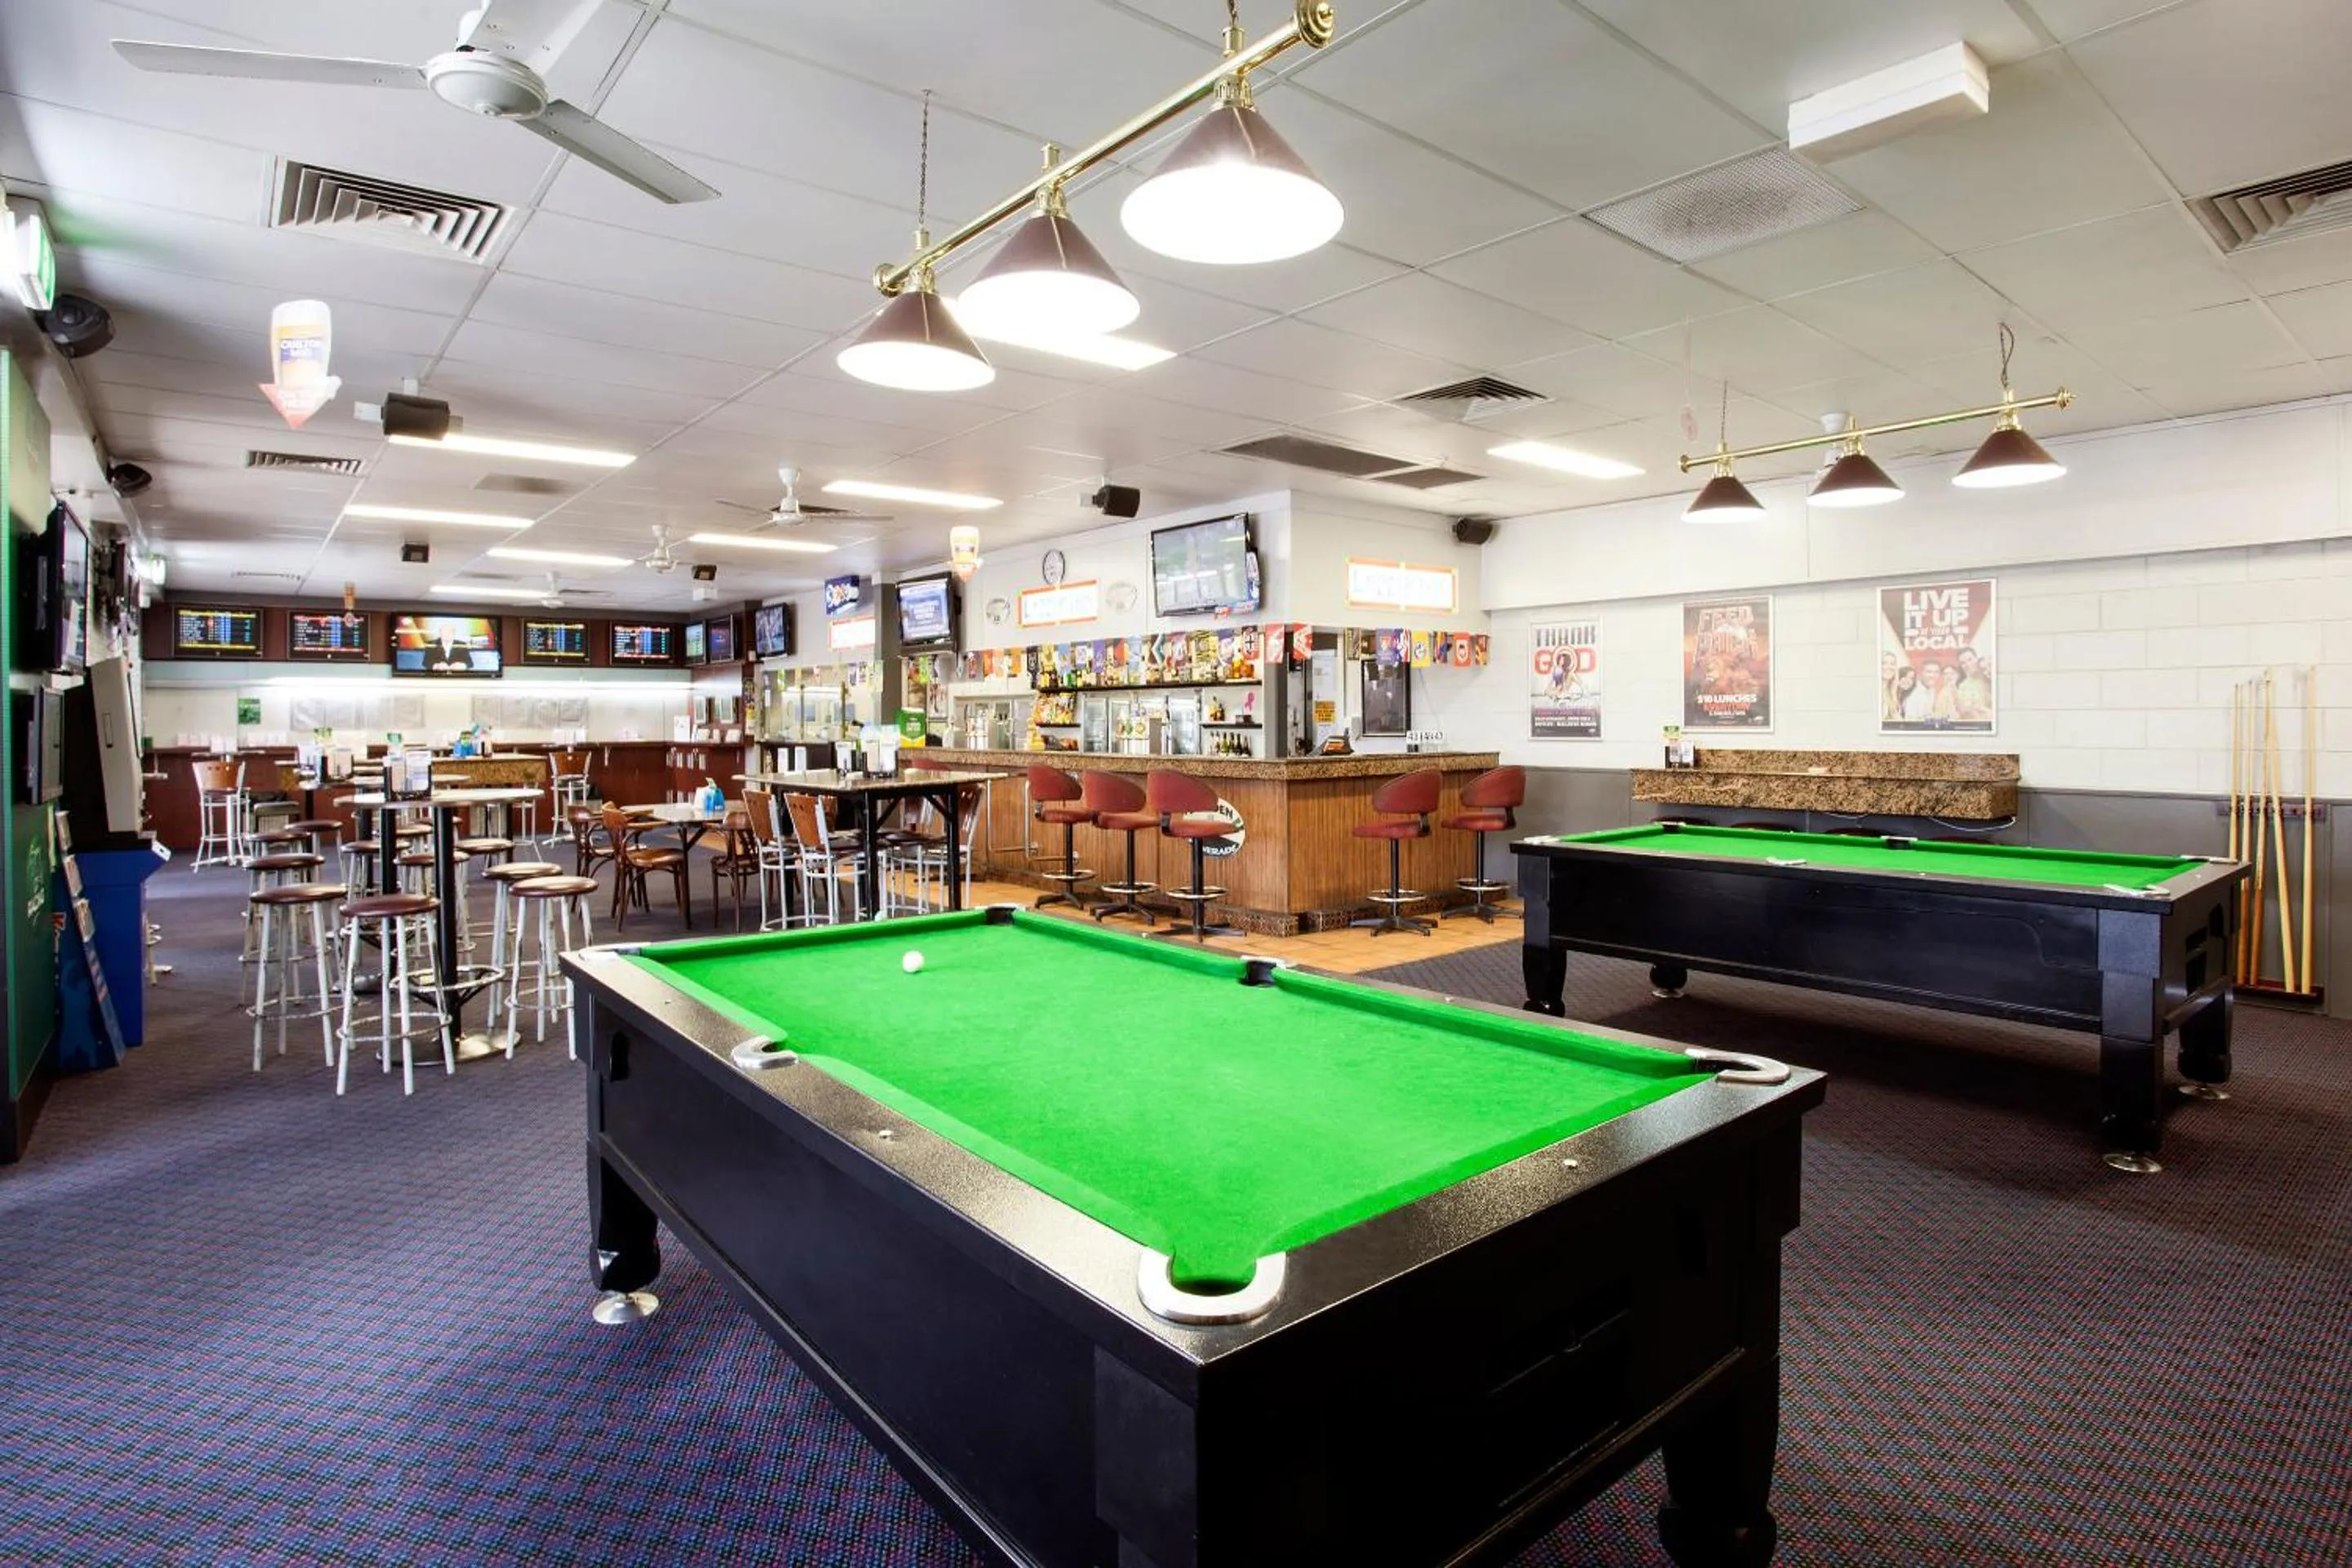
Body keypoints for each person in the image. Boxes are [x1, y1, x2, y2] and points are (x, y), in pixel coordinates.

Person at [1953, 646, 1993, 724]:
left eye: (1970, 660)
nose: (1967, 665)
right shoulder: (1963, 687)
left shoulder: (1988, 676)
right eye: (1963, 663)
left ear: (1976, 659)